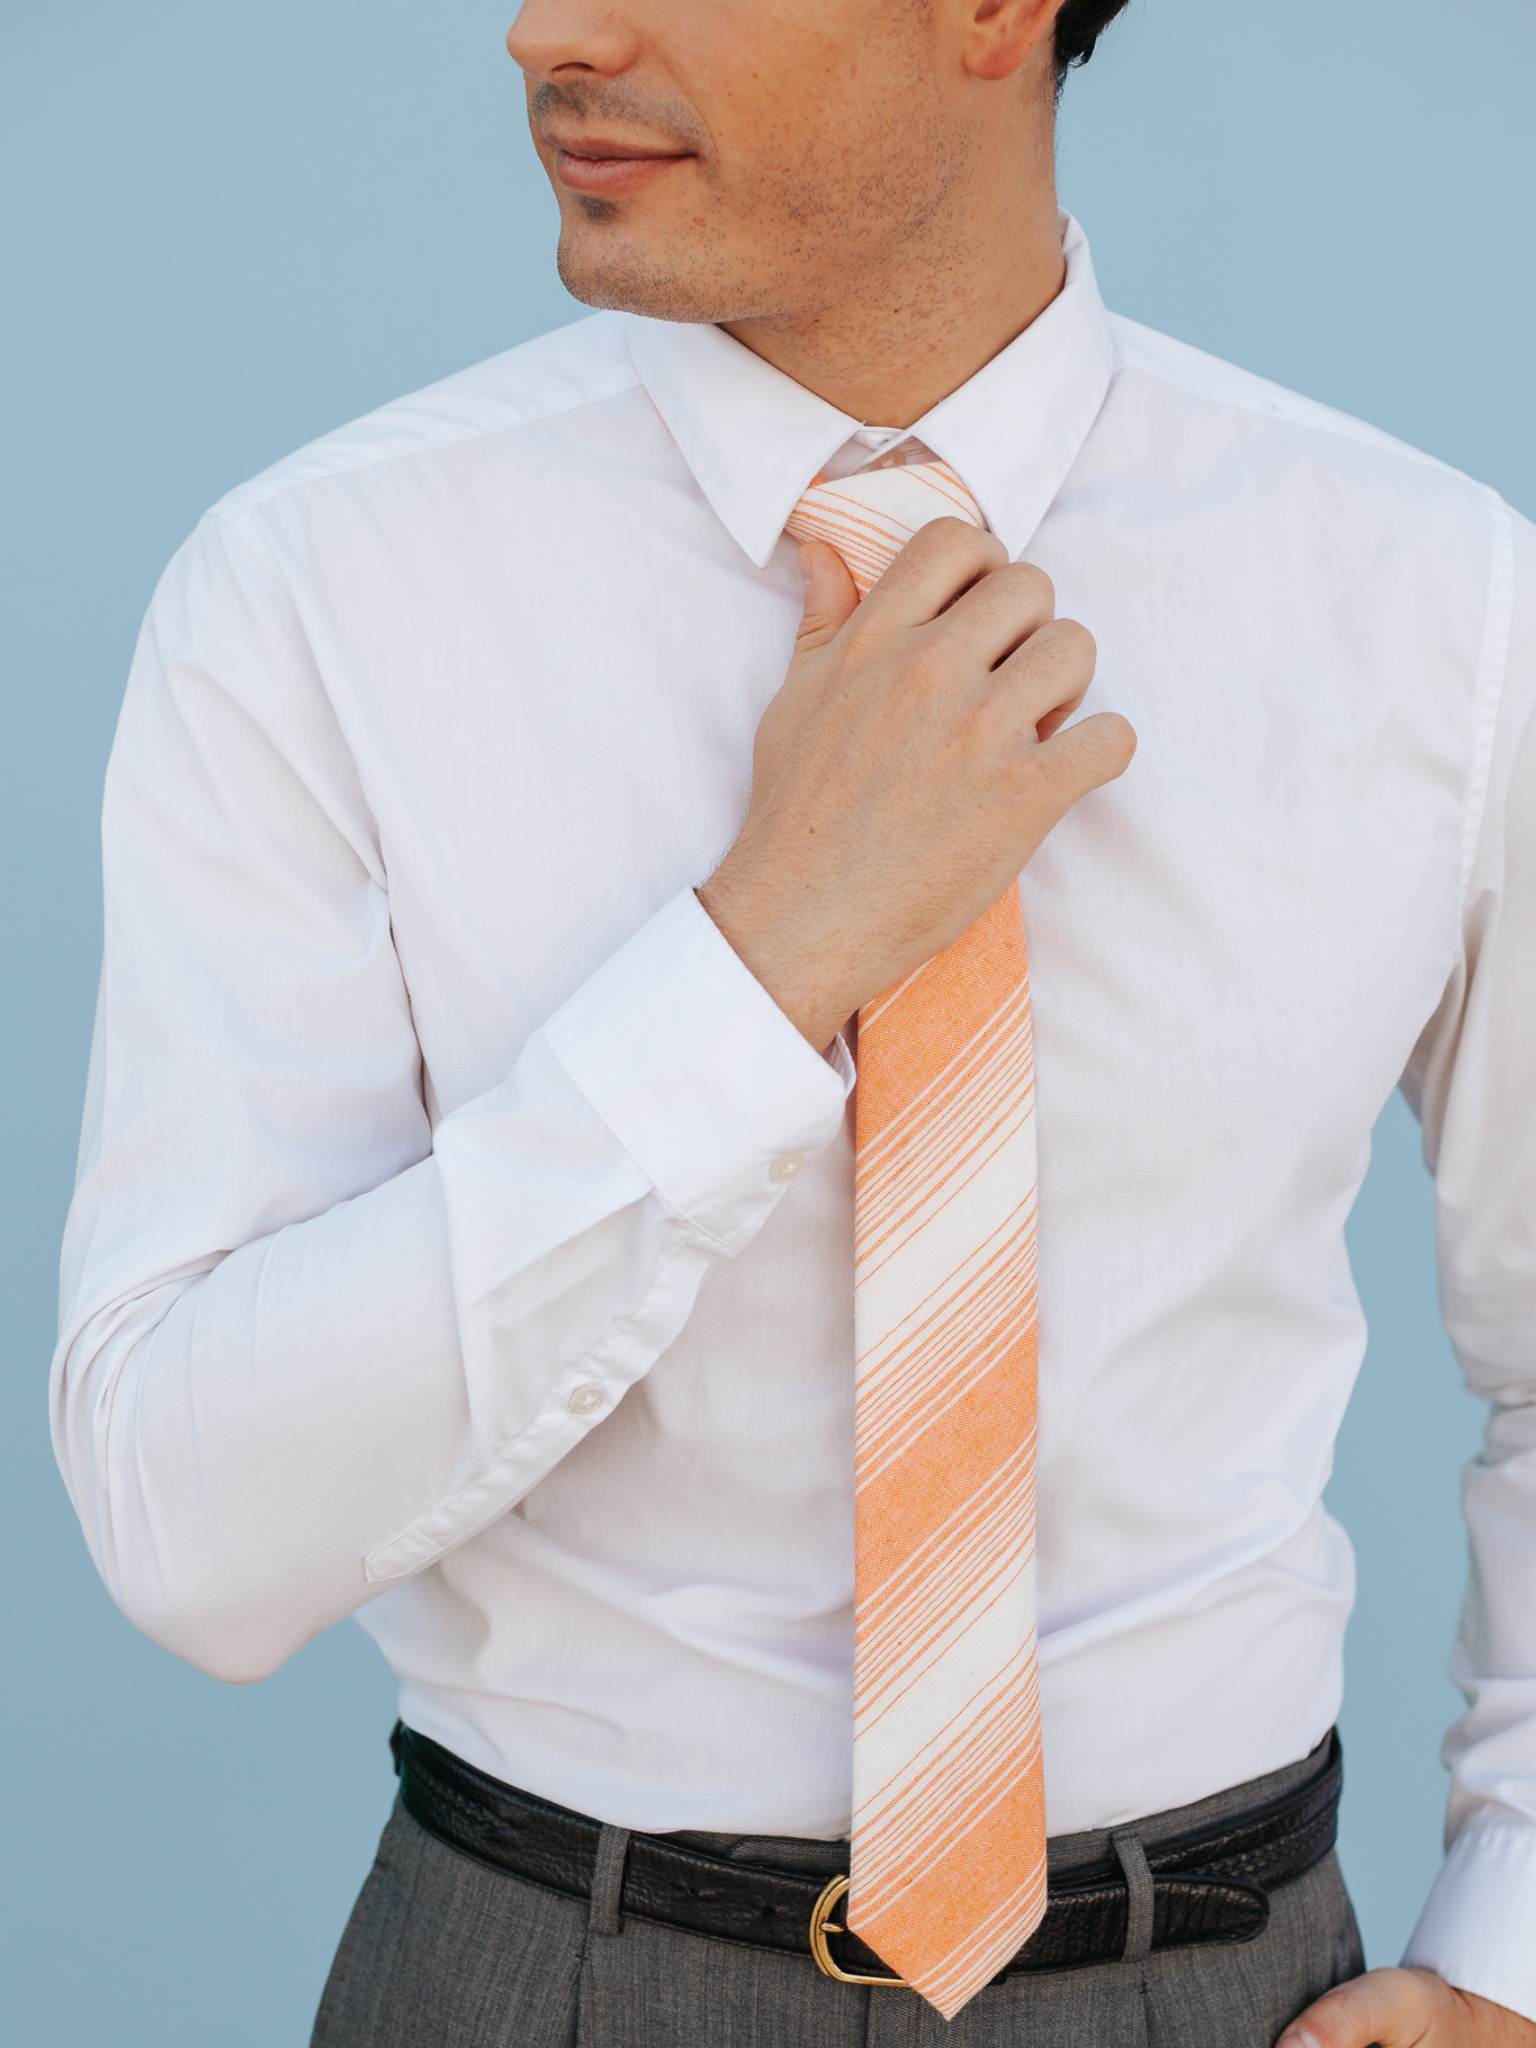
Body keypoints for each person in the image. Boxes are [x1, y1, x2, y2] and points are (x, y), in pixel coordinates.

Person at [50, 0, 1536, 2041]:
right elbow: (192, 1526)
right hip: (535, 1977)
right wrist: (758, 962)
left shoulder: (1435, 609)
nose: (543, 33)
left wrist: (1513, 1938)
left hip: (1223, 1988)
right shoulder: (311, 595)